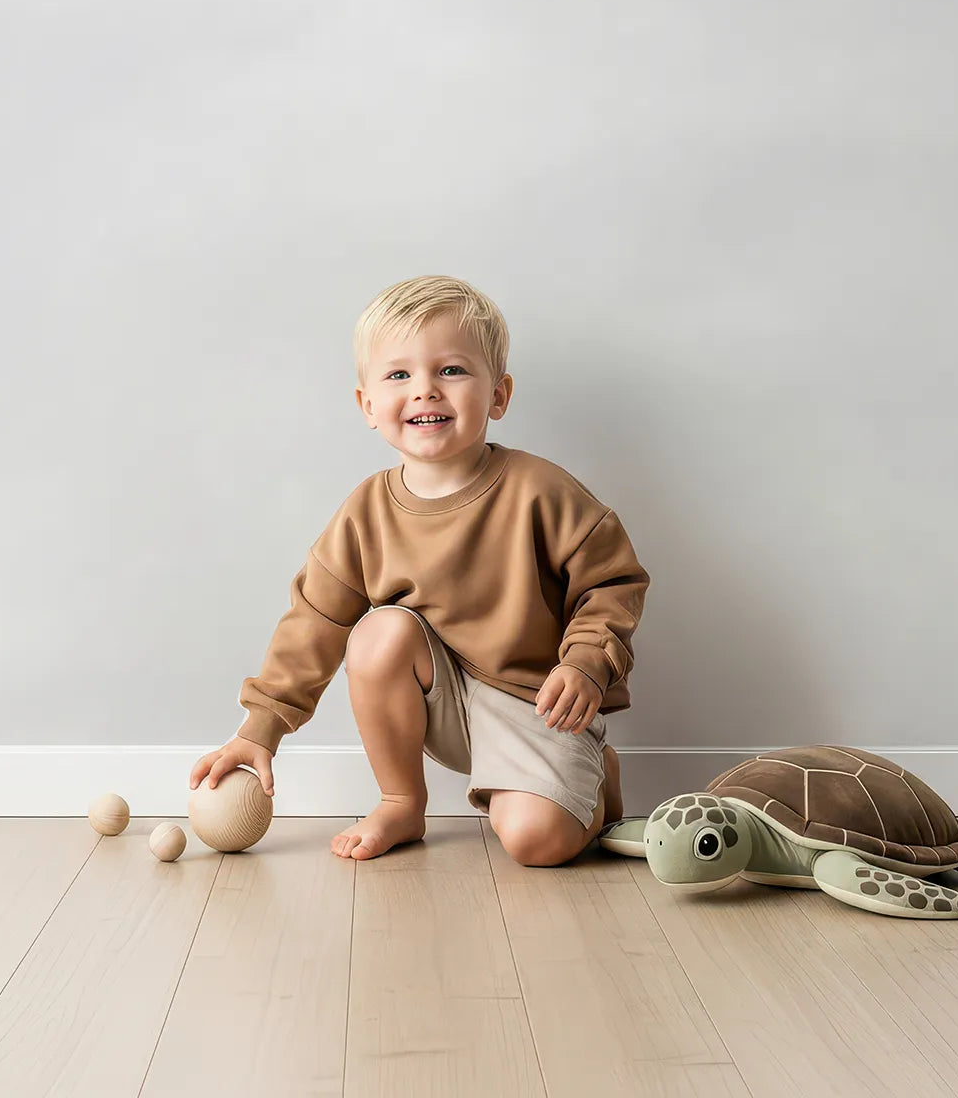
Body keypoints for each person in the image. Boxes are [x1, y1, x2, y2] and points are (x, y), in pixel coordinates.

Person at [188, 275, 650, 867]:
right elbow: (315, 619)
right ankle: (402, 801)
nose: (426, 391)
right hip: (441, 701)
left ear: (499, 395)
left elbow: (613, 582)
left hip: (540, 703)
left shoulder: (543, 492)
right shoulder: (365, 513)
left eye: (451, 371)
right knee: (378, 631)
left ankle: (594, 783)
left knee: (537, 845)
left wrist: (587, 663)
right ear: (368, 406)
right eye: (399, 375)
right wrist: (260, 728)